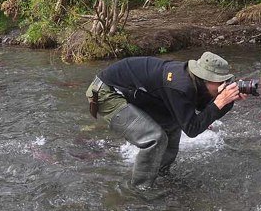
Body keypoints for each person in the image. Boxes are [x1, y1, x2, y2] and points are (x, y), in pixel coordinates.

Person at [86, 51, 247, 188]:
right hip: (106, 92)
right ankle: (140, 189)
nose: (224, 85)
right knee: (154, 138)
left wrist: (226, 101)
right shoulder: (179, 84)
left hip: (138, 93)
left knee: (172, 125)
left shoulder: (194, 82)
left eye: (226, 82)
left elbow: (200, 113)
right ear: (205, 78)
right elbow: (192, 129)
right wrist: (220, 102)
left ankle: (159, 176)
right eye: (220, 82)